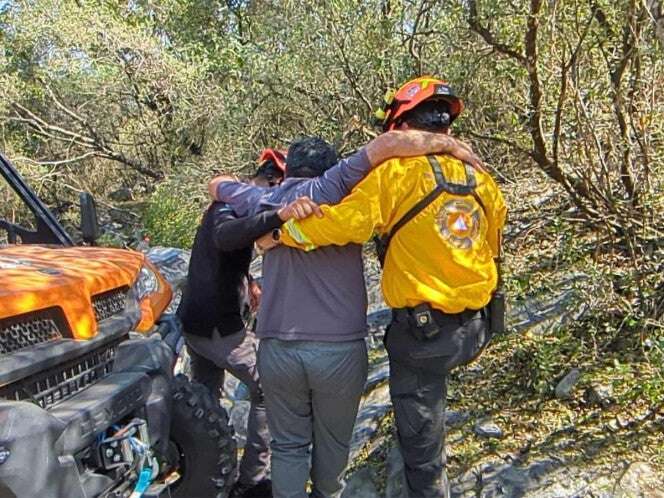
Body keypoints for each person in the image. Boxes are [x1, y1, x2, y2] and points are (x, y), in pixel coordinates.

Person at [208, 130, 485, 498]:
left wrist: (237, 192)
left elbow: (217, 185)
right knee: (333, 447)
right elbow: (387, 145)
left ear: (288, 169)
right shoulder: (336, 186)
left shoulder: (264, 197)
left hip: (276, 347)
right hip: (338, 350)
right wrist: (450, 145)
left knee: (288, 447)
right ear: (330, 165)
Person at [268, 77, 508, 498]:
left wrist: (281, 232)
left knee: (422, 449)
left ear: (398, 126)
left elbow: (346, 224)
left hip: (423, 336)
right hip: (477, 328)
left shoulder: (396, 173)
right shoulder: (481, 178)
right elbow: (492, 242)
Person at [177, 147, 318, 498]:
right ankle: (252, 479)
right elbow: (227, 237)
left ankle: (204, 475)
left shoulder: (230, 203)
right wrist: (279, 214)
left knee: (205, 399)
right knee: (271, 385)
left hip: (199, 321)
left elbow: (225, 253)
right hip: (216, 327)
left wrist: (248, 278)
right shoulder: (228, 207)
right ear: (272, 182)